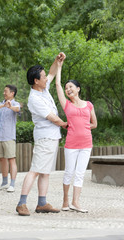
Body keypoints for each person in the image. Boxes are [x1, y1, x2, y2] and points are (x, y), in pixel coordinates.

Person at [16, 53, 67, 216]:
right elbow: (52, 118)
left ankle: (42, 203)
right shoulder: (34, 98)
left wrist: (56, 61)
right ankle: (21, 203)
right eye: (43, 77)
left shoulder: (43, 89)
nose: (46, 78)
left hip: (52, 137)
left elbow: (52, 73)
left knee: (45, 171)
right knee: (35, 170)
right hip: (45, 137)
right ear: (36, 81)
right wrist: (66, 124)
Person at [55, 53, 97, 213]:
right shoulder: (67, 105)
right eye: (66, 88)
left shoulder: (88, 105)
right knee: (69, 172)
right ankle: (65, 201)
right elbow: (57, 85)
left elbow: (94, 124)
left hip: (86, 144)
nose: (68, 89)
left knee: (80, 173)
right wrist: (59, 67)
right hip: (71, 144)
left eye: (71, 87)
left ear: (78, 89)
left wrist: (84, 128)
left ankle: (75, 202)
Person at [0, 85, 20, 192]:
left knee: (11, 159)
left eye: (6, 91)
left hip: (9, 136)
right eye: (4, 91)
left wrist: (10, 106)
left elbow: (17, 109)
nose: (4, 93)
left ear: (12, 93)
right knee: (2, 159)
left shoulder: (15, 104)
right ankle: (4, 182)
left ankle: (12, 184)